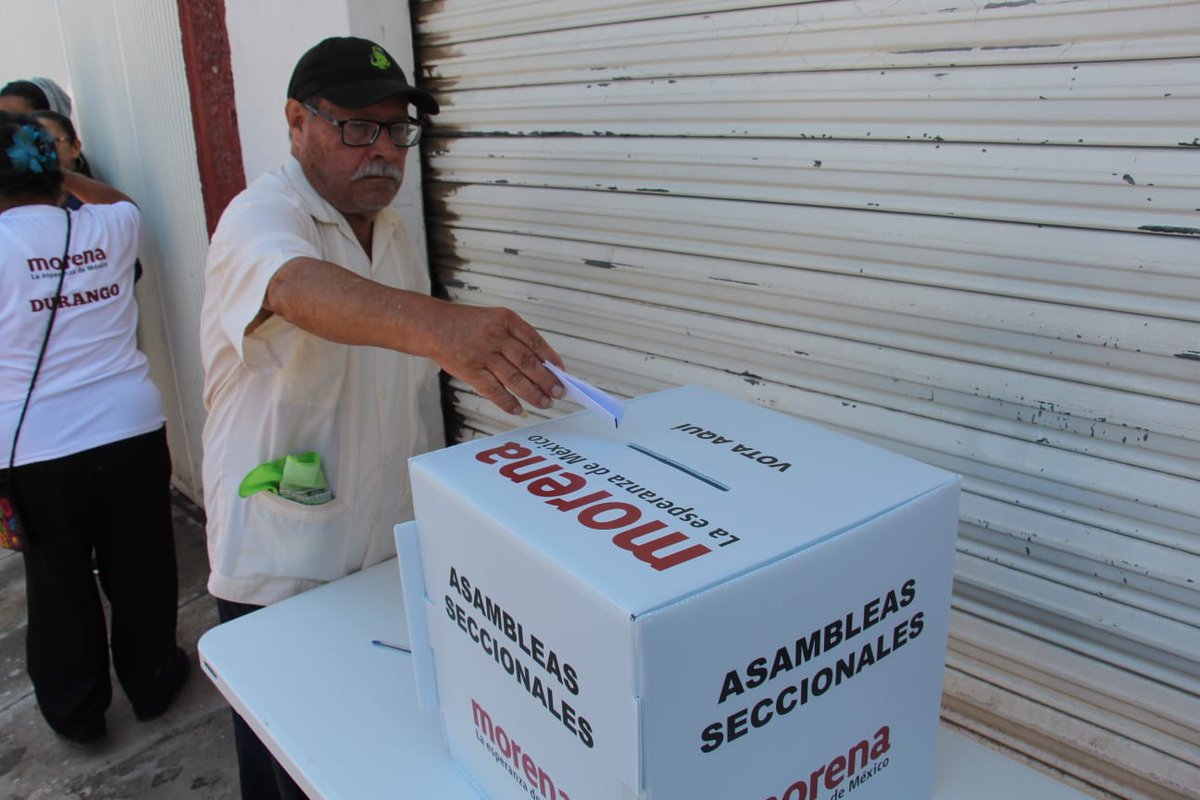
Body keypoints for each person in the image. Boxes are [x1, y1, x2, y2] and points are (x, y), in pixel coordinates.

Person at [200, 36, 564, 798]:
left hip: (386, 556)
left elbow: (396, 358)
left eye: (398, 131)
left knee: (364, 762)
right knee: (285, 766)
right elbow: (295, 288)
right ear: (296, 121)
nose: (385, 153)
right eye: (356, 129)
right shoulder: (259, 215)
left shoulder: (392, 230)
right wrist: (445, 328)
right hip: (283, 566)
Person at [0, 111, 188, 744]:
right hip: (130, 428)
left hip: (36, 447)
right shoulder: (114, 223)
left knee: (60, 583)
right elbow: (122, 199)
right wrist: (64, 175)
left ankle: (78, 714)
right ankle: (154, 682)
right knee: (143, 565)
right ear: (57, 165)